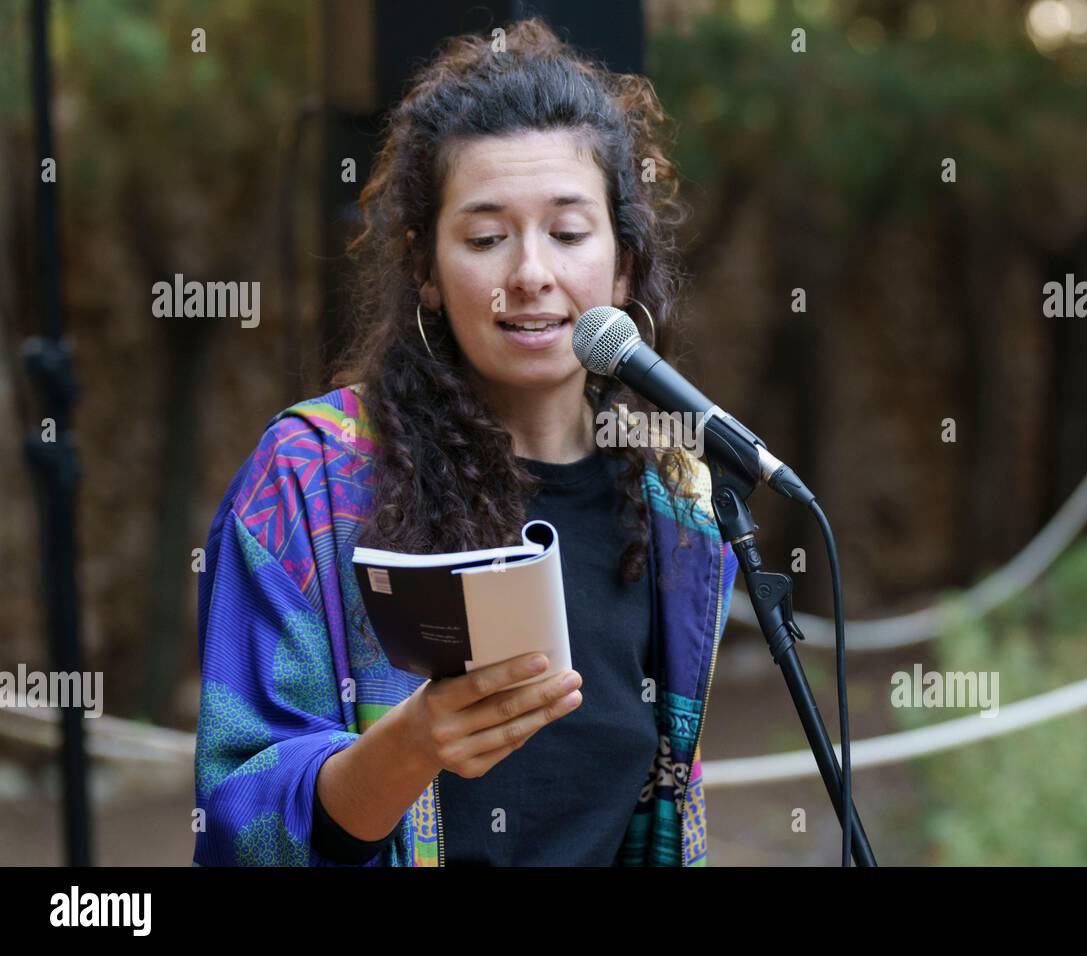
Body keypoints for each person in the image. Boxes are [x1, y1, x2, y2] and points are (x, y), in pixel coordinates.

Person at [193, 17, 738, 867]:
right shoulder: (308, 479)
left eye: (568, 232)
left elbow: (665, 820)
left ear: (623, 265)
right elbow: (237, 823)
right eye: (485, 238)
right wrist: (413, 744)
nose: (530, 272)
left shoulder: (678, 505)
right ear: (426, 270)